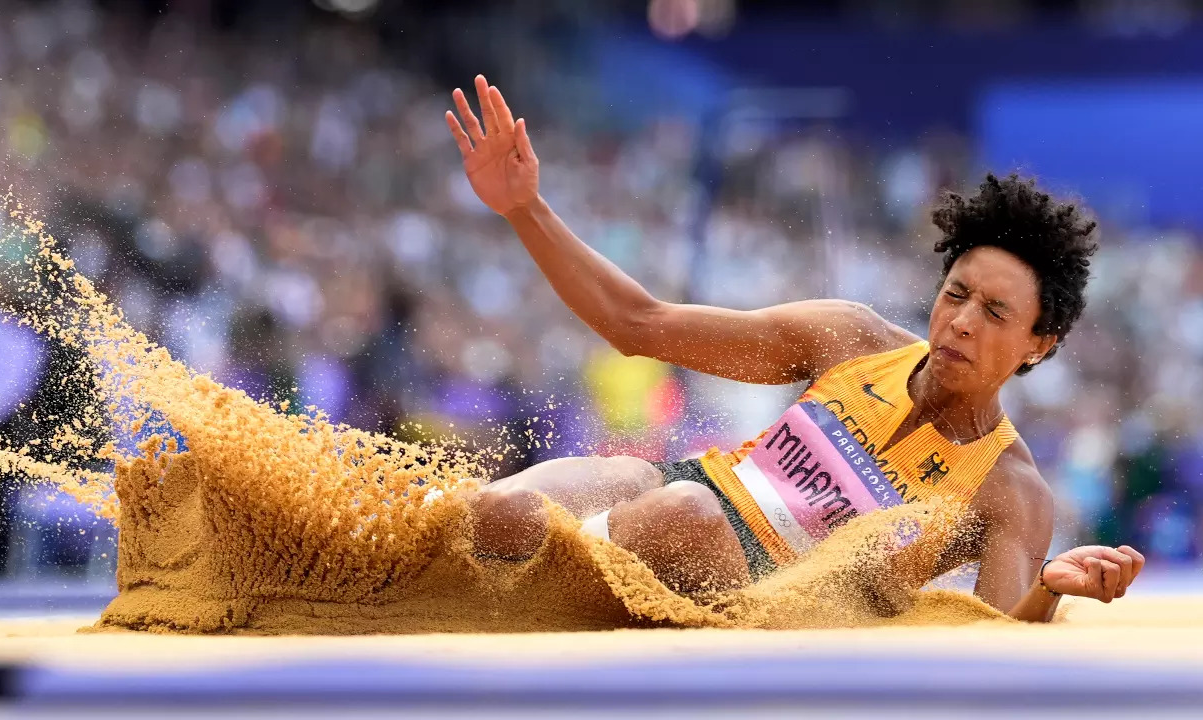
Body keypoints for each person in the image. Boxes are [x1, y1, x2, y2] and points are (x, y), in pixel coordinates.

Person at [444, 76, 1143, 622]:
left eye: (995, 312)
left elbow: (992, 634)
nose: (962, 322)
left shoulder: (1011, 492)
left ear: (1037, 344)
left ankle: (527, 595)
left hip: (771, 591)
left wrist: (1049, 589)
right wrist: (522, 207)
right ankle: (380, 568)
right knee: (503, 512)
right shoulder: (851, 337)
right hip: (697, 490)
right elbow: (638, 324)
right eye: (957, 293)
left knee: (681, 519)